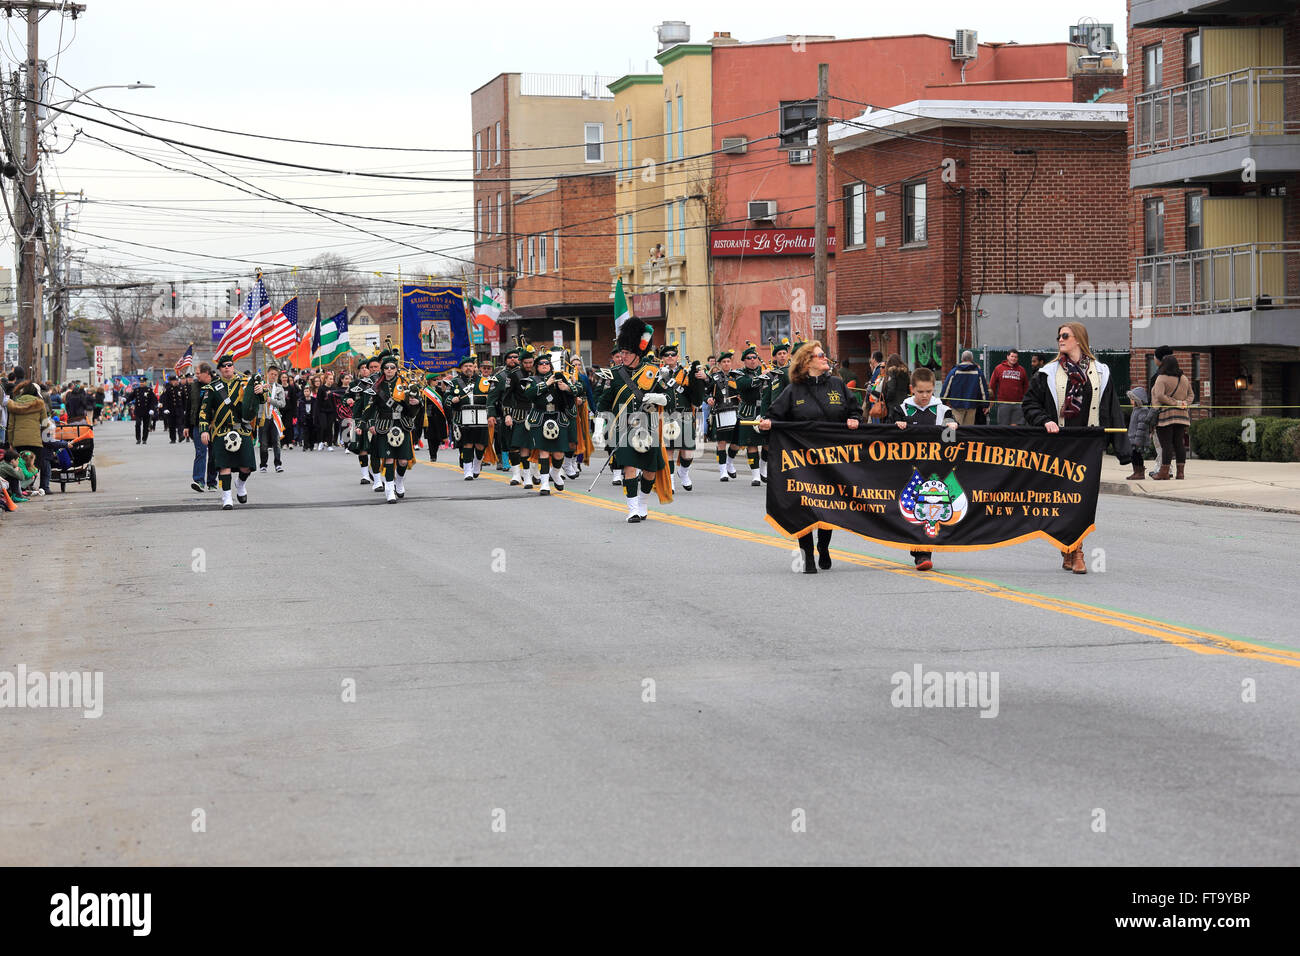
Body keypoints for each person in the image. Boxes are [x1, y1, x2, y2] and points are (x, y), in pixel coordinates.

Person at [1022, 321, 1129, 574]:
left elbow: (1113, 409)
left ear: (1078, 340)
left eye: (1065, 336)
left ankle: (1074, 549)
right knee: (1065, 498)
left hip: (1089, 445)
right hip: (1059, 445)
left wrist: (1124, 451)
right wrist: (1045, 420)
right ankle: (1073, 549)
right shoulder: (1047, 373)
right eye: (1058, 336)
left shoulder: (1101, 372)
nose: (1060, 340)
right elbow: (1029, 405)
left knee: (1082, 499)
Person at [758, 340, 861, 573]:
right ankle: (807, 554)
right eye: (820, 355)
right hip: (802, 461)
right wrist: (767, 424)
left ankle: (823, 547)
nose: (826, 358)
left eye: (824, 355)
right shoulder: (793, 390)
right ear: (807, 362)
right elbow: (774, 415)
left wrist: (855, 419)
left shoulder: (837, 385)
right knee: (804, 506)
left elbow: (855, 410)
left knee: (829, 504)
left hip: (833, 458)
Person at [886, 366, 959, 573]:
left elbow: (951, 441)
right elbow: (887, 434)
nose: (925, 396)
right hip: (908, 467)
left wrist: (952, 425)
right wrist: (895, 426)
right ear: (912, 389)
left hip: (934, 468)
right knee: (913, 509)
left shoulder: (943, 409)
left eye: (929, 391)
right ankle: (919, 550)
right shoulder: (902, 409)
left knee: (928, 508)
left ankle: (922, 553)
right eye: (920, 392)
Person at [598, 321, 670, 523]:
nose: (623, 356)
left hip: (648, 427)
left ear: (638, 353)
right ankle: (632, 509)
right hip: (623, 428)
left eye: (627, 353)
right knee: (629, 466)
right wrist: (599, 426)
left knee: (649, 469)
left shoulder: (653, 372)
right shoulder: (614, 374)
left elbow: (669, 398)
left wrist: (655, 398)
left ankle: (643, 502)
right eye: (621, 353)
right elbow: (603, 403)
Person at [198, 354, 265, 510]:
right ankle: (227, 497)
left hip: (242, 430)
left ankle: (240, 484)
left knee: (246, 466)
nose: (227, 367)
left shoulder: (245, 383)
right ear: (220, 369)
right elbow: (204, 412)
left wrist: (261, 390)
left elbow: (259, 400)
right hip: (221, 431)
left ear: (233, 367)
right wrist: (203, 430)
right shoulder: (212, 387)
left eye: (230, 365)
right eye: (224, 366)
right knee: (224, 466)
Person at [367, 352, 422, 502]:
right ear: (383, 370)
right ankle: (389, 490)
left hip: (402, 424)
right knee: (389, 459)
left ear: (396, 369)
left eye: (392, 367)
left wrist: (417, 404)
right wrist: (368, 423)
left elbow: (416, 404)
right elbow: (371, 408)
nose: (389, 370)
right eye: (386, 368)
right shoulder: (377, 386)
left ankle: (399, 481)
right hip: (385, 425)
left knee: (403, 460)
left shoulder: (405, 384)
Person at [659, 342, 709, 491]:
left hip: (685, 415)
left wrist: (704, 377)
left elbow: (700, 391)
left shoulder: (687, 372)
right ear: (662, 358)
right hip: (666, 415)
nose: (670, 357)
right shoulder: (657, 374)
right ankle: (671, 480)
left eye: (672, 355)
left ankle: (683, 472)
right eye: (667, 355)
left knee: (687, 453)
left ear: (677, 357)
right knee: (669, 450)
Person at [523, 351, 574, 495]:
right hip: (540, 416)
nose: (544, 365)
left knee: (558, 453)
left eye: (547, 363)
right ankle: (544, 483)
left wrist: (567, 388)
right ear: (536, 366)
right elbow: (528, 395)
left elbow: (575, 392)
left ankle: (556, 473)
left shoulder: (559, 377)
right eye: (541, 364)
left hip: (558, 416)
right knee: (543, 451)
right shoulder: (531, 380)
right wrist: (546, 384)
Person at [1150, 354, 1194, 480]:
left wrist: (1174, 403)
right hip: (1182, 416)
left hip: (1166, 416)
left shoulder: (1161, 378)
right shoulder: (1184, 378)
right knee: (1179, 444)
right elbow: (1192, 394)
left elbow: (1159, 396)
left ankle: (1164, 472)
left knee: (1166, 445)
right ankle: (1180, 473)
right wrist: (1184, 403)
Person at [448, 355, 490, 480]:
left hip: (481, 416)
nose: (468, 368)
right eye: (466, 366)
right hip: (463, 416)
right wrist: (452, 399)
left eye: (470, 366)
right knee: (467, 443)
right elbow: (446, 397)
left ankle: (477, 464)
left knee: (480, 445)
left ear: (474, 368)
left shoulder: (483, 381)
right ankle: (467, 471)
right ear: (461, 368)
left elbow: (492, 396)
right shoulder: (455, 382)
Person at [6, 382, 50, 497]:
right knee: (35, 464)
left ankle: (22, 486)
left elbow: (10, 426)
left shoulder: (15, 404)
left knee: (20, 464)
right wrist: (46, 436)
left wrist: (11, 442)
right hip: (35, 441)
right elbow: (45, 424)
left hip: (19, 441)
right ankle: (27, 485)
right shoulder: (40, 404)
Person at [706, 349, 740, 481]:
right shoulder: (714, 378)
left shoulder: (737, 376)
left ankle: (729, 463)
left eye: (728, 361)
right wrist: (708, 399)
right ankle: (722, 471)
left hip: (735, 411)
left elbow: (744, 391)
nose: (726, 364)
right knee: (721, 442)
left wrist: (741, 396)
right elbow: (706, 392)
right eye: (724, 362)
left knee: (736, 442)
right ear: (720, 364)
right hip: (720, 411)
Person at [184, 362, 218, 493]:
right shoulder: (194, 386)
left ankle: (212, 482)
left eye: (198, 373)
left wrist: (213, 421)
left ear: (206, 373)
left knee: (214, 454)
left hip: (214, 425)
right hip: (197, 425)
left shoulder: (217, 385)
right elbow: (189, 406)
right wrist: (186, 426)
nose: (196, 376)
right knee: (200, 452)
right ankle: (199, 481)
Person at [940, 350, 990, 426]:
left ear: (962, 359)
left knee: (956, 428)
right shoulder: (978, 372)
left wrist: (942, 401)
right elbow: (984, 389)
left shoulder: (954, 371)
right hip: (972, 406)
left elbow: (946, 387)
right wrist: (986, 405)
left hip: (957, 406)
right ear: (972, 359)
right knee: (968, 430)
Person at [1124, 385, 1156, 481]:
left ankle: (1139, 472)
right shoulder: (1136, 410)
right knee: (1133, 456)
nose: (1131, 401)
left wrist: (1137, 440)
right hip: (1133, 438)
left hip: (1138, 439)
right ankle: (1136, 471)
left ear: (1138, 400)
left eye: (1132, 399)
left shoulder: (1143, 411)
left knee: (1137, 456)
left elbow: (1141, 427)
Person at [989, 350, 1028, 425]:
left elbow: (1026, 386)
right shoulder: (999, 368)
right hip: (1004, 402)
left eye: (1016, 357)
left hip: (1018, 403)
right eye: (1012, 356)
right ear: (1007, 357)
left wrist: (1025, 400)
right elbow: (992, 385)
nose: (1014, 359)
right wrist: (991, 400)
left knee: (1016, 426)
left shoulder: (1022, 370)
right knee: (1003, 426)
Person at [259, 366, 286, 473]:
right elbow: (255, 401)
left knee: (276, 442)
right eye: (271, 374)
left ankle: (278, 464)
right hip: (263, 417)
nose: (273, 376)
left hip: (274, 417)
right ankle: (263, 464)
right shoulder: (261, 386)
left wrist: (272, 400)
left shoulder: (279, 388)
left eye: (275, 375)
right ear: (267, 374)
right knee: (264, 443)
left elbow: (282, 403)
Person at [130, 378, 156, 444]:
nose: (141, 383)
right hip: (138, 411)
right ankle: (138, 439)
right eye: (141, 382)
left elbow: (154, 400)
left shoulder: (149, 390)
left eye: (143, 382)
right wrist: (125, 399)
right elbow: (130, 397)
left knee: (146, 426)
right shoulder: (136, 390)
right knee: (138, 424)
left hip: (147, 411)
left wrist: (152, 409)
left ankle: (144, 439)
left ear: (145, 383)